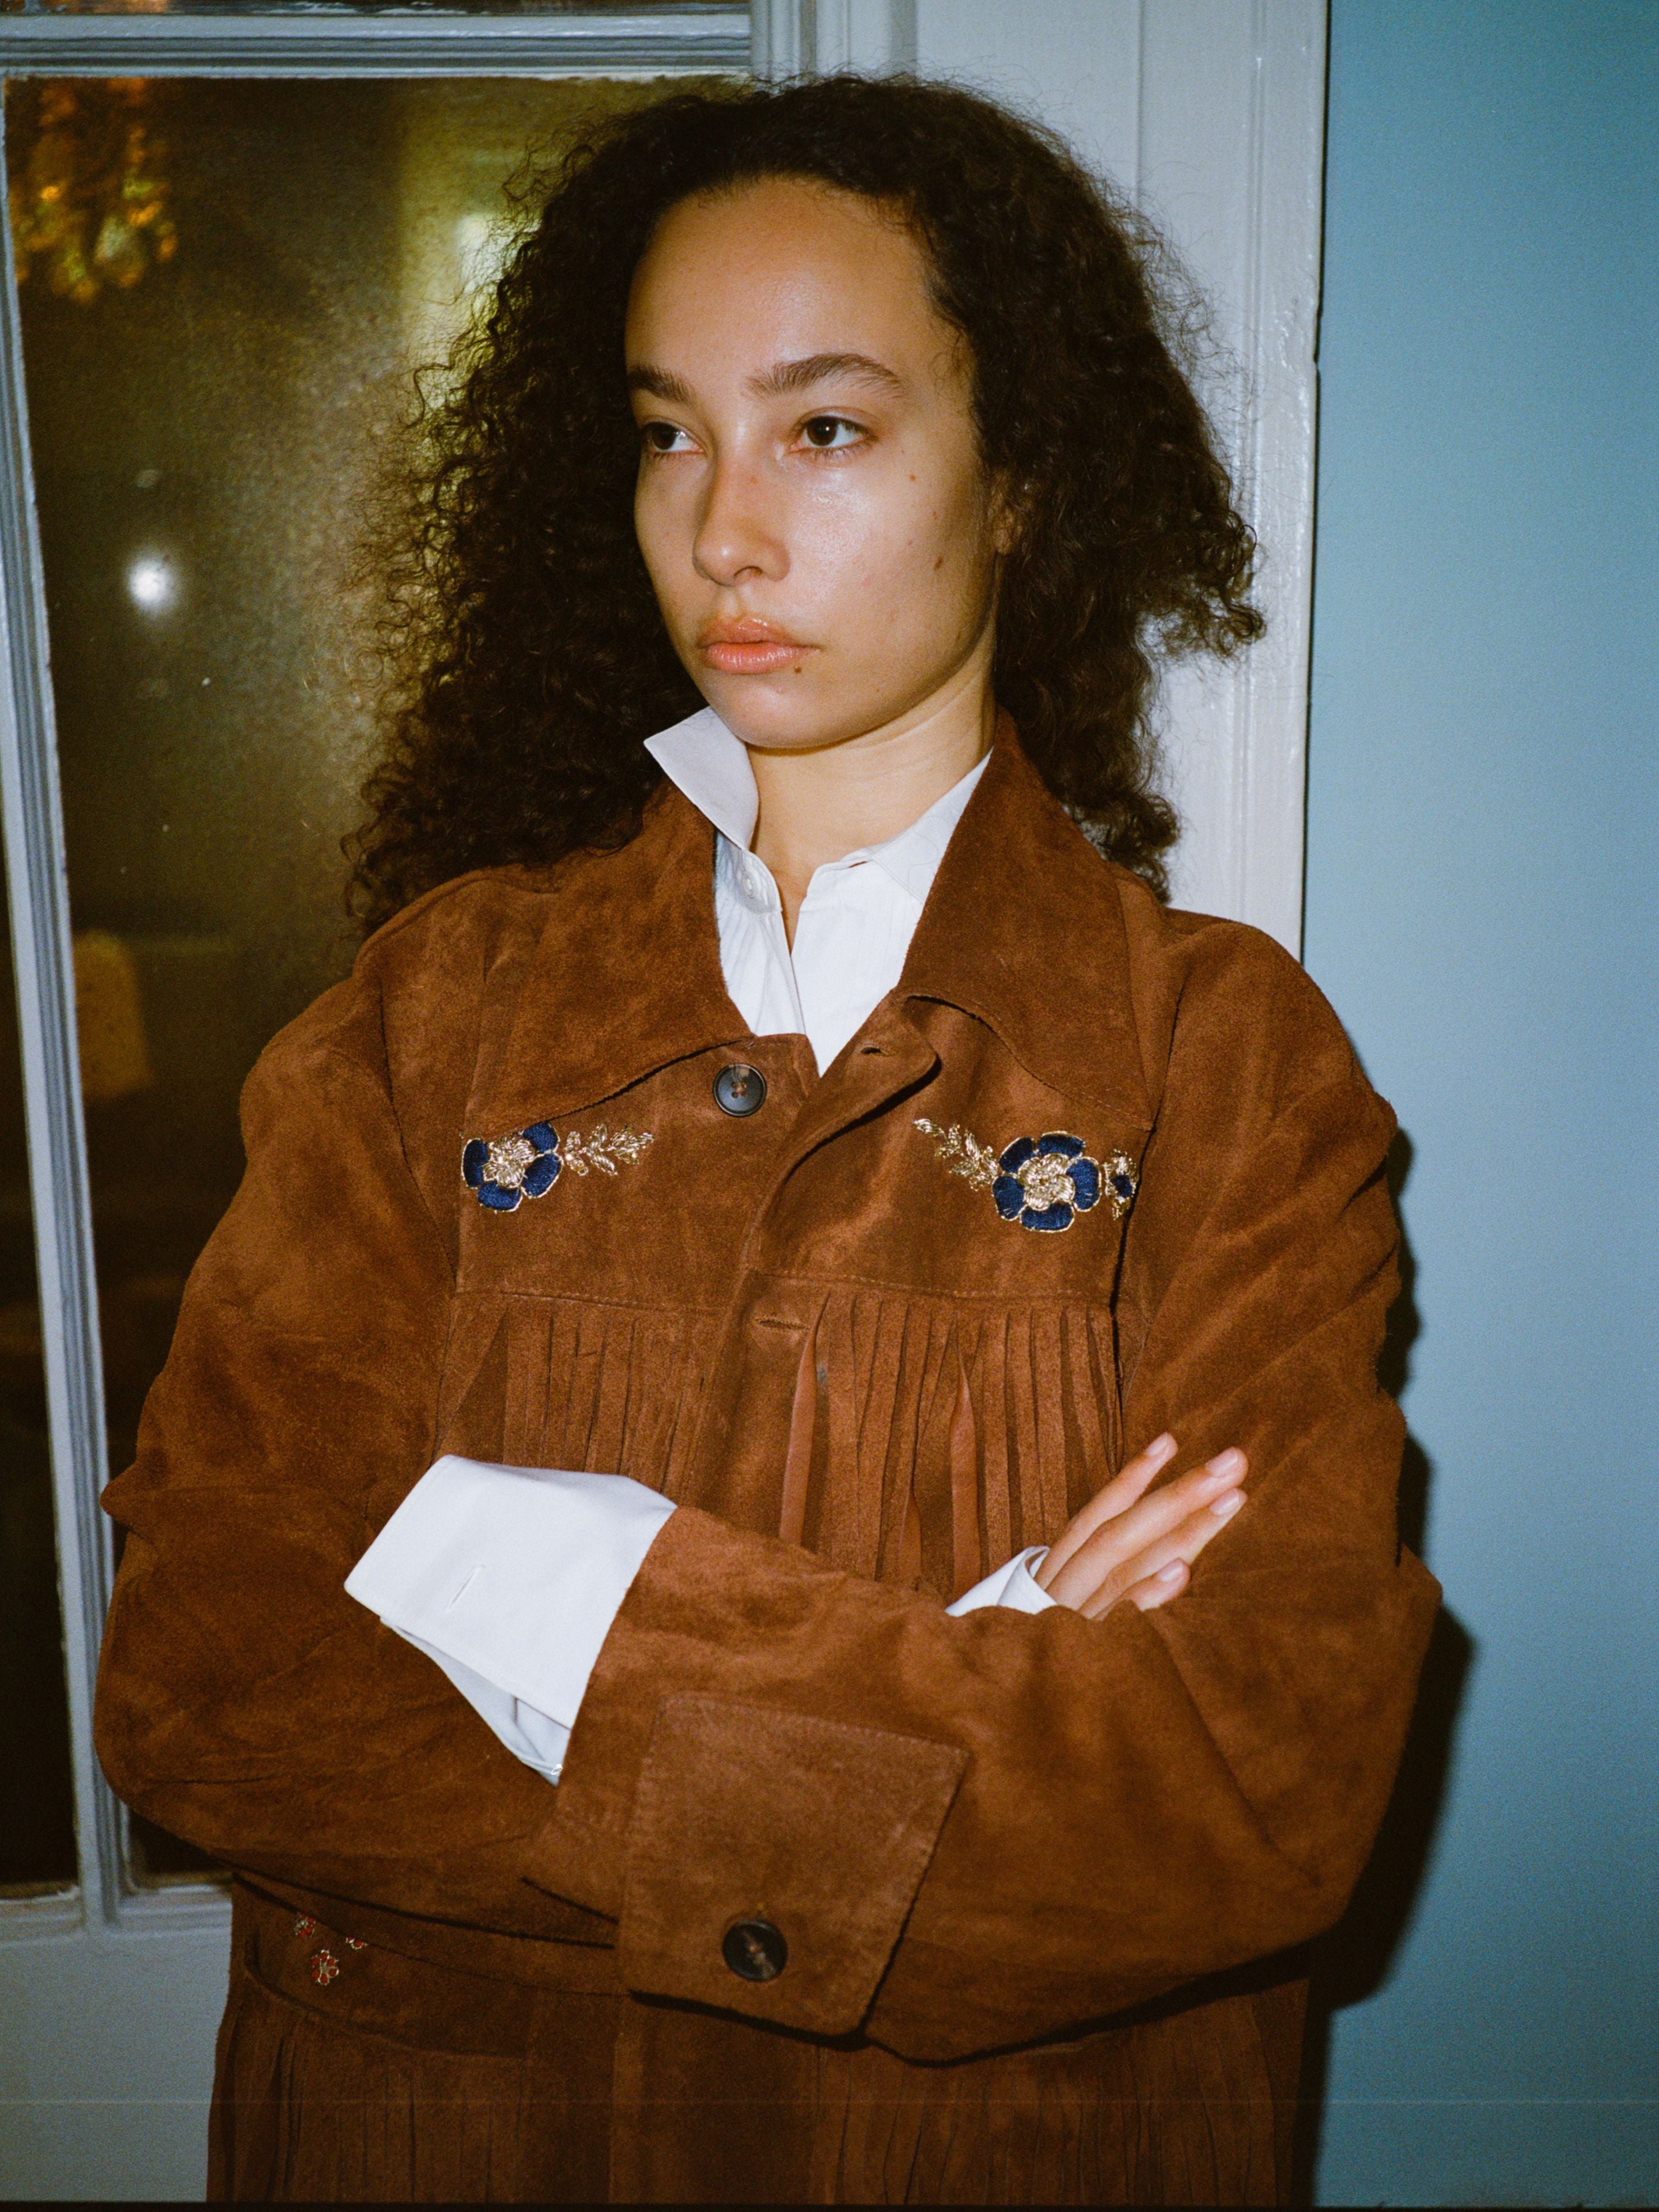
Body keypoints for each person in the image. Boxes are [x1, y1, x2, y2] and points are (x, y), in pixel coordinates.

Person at [93, 75, 1439, 2207]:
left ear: (1020, 483)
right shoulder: (437, 1018)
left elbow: (1244, 1787)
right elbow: (207, 1671)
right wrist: (967, 1663)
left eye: (825, 426)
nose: (724, 526)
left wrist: (514, 1573)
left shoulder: (1224, 1066)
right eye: (666, 430)